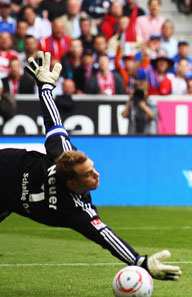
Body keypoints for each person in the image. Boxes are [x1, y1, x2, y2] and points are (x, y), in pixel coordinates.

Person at [0, 51, 181, 280]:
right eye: (88, 174)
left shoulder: (66, 162)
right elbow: (104, 235)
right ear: (72, 182)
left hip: (7, 200)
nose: (97, 174)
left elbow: (53, 119)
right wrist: (139, 262)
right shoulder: (73, 201)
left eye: (93, 168)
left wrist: (140, 261)